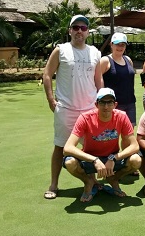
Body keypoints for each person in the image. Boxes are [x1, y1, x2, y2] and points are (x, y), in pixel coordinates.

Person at [42, 14, 102, 199]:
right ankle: (54, 185)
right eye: (75, 27)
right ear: (69, 30)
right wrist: (51, 100)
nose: (79, 31)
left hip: (90, 109)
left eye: (83, 28)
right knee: (60, 146)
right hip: (66, 109)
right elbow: (47, 75)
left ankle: (92, 181)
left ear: (88, 32)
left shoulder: (95, 52)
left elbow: (98, 79)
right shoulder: (60, 50)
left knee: (91, 148)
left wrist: (101, 103)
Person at [63, 88, 141, 203]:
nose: (106, 107)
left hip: (112, 158)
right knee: (69, 162)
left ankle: (113, 179)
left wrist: (114, 158)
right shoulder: (85, 118)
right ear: (96, 104)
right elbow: (67, 148)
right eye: (102, 102)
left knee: (136, 160)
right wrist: (95, 160)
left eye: (110, 102)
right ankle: (88, 181)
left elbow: (134, 146)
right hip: (90, 158)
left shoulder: (122, 116)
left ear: (115, 104)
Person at [100, 32, 137, 125]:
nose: (120, 47)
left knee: (129, 135)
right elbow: (97, 81)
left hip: (130, 103)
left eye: (123, 45)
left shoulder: (128, 60)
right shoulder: (105, 61)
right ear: (111, 45)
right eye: (117, 44)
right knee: (112, 135)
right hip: (112, 105)